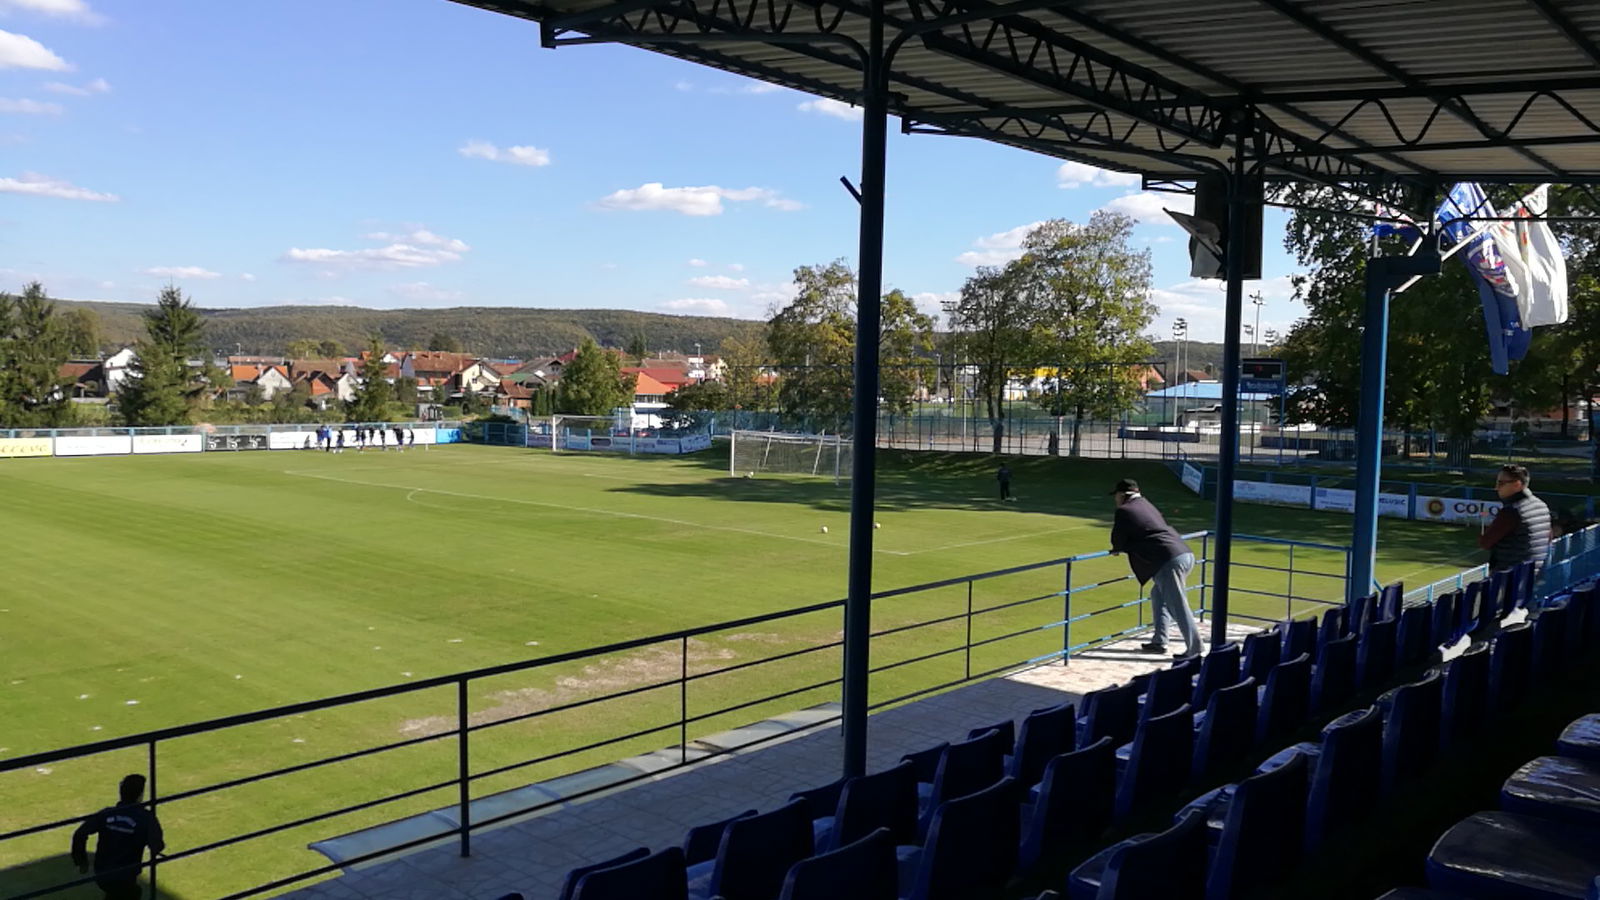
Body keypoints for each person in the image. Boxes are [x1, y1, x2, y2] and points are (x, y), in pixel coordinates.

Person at [1109, 478, 1202, 659]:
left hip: (1167, 560)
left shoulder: (1124, 510)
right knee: (1158, 595)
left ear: (1122, 495)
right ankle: (1160, 641)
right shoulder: (1145, 503)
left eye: (1116, 496)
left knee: (1177, 606)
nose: (1116, 499)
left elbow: (1118, 537)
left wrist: (1116, 549)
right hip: (1183, 553)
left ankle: (1195, 650)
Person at [71, 774, 165, 900]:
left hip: (102, 874)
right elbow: (157, 845)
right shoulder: (145, 818)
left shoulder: (106, 814)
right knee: (131, 893)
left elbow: (80, 834)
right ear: (140, 795)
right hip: (126, 877)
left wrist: (82, 862)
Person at [1478, 464, 1552, 573]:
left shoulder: (1512, 511)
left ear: (1517, 484)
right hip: (1536, 573)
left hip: (1511, 576)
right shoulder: (1541, 505)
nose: (1497, 488)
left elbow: (1485, 542)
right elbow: (1548, 537)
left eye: (1501, 483)